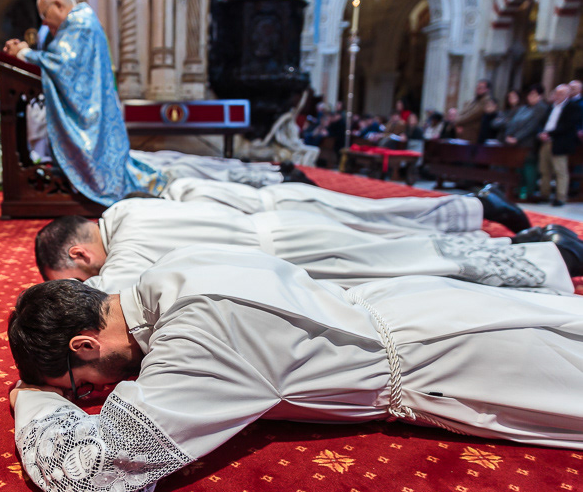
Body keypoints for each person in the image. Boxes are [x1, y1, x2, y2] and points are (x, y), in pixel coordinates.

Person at [8, 245, 583, 492]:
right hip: (425, 308)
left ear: (85, 344)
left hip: (459, 361)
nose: (94, 396)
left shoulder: (195, 339)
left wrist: (35, 402)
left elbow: (90, 481)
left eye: (82, 385)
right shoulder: (167, 272)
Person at [33, 199, 577, 294]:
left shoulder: (126, 247)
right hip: (283, 230)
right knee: (399, 241)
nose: (88, 284)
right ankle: (534, 246)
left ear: (80, 254)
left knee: (410, 263)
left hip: (289, 253)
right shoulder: (126, 210)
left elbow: (110, 289)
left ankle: (547, 261)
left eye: (78, 277)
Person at [4, 0, 164, 205]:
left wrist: (24, 53)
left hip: (92, 116)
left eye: (44, 14)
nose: (44, 22)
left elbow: (62, 65)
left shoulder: (79, 23)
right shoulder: (81, 22)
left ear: (58, 5)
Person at [160, 176, 532, 235]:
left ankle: (477, 206)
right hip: (282, 206)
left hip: (285, 210)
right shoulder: (175, 196)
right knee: (378, 219)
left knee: (379, 220)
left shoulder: (179, 198)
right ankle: (474, 207)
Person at [538, 83, 582, 207]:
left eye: (561, 93)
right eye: (556, 93)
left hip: (560, 143)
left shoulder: (573, 107)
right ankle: (544, 194)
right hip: (546, 141)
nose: (558, 96)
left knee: (560, 171)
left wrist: (549, 133)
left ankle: (560, 197)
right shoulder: (551, 107)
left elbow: (568, 125)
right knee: (544, 170)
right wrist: (541, 133)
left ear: (568, 95)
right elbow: (542, 122)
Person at [503, 85, 550, 201]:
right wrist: (508, 136)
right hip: (515, 143)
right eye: (530, 94)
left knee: (529, 169)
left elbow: (532, 126)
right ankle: (518, 191)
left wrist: (517, 138)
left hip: (529, 143)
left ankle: (529, 193)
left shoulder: (542, 108)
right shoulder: (523, 108)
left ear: (540, 96)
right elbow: (512, 123)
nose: (531, 97)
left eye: (534, 94)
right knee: (518, 168)